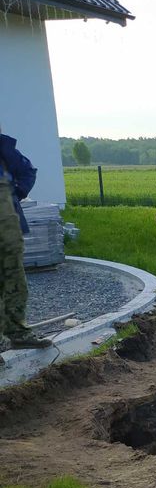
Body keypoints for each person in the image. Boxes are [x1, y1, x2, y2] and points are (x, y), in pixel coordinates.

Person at [0, 126, 52, 363]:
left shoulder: (5, 149)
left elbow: (28, 171)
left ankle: (18, 332)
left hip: (7, 222)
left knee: (14, 276)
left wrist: (15, 194)